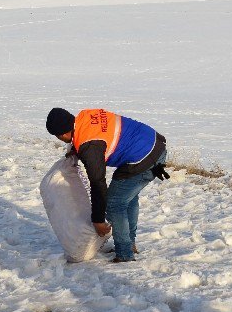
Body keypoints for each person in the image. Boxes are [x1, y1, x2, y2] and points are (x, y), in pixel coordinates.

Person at [45, 107, 168, 262]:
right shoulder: (84, 117)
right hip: (154, 145)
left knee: (114, 203)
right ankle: (129, 244)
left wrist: (98, 220)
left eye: (57, 136)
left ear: (62, 134)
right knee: (126, 197)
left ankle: (124, 254)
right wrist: (77, 149)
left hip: (145, 158)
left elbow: (98, 183)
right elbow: (96, 134)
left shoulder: (89, 147)